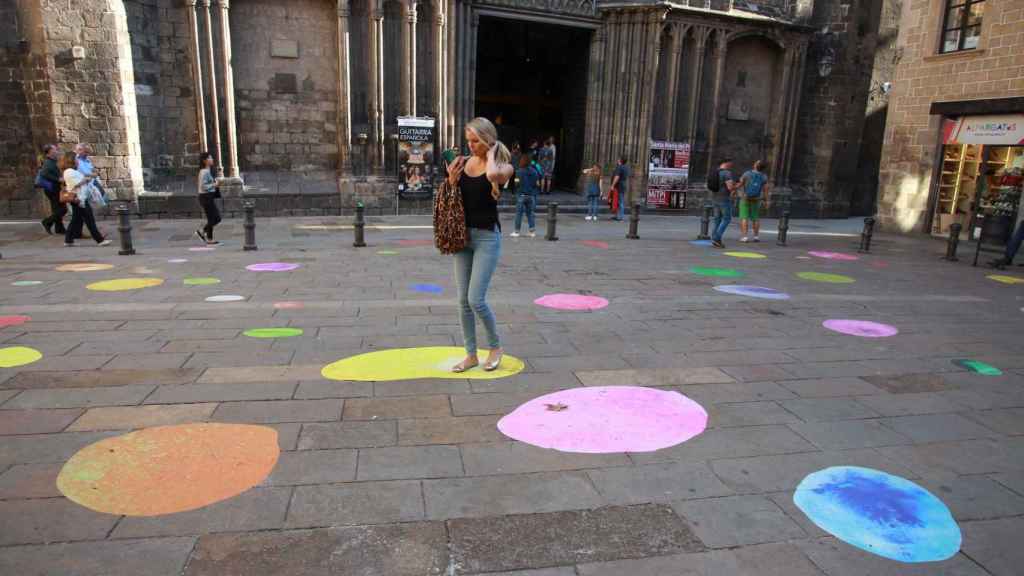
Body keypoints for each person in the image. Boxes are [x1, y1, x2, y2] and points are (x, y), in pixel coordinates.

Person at [445, 117, 513, 373]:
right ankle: (471, 354)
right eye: (468, 141)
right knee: (462, 300)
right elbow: (451, 197)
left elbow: (494, 175)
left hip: (487, 238)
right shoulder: (462, 163)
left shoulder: (504, 166)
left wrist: (493, 154)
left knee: (476, 299)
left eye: (476, 141)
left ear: (488, 140)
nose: (471, 146)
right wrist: (452, 179)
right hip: (463, 237)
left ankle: (495, 347)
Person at [61, 151, 110, 247]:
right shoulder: (69, 171)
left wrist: (87, 178)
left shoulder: (74, 170)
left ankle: (68, 240)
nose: (78, 161)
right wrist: (86, 179)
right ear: (72, 160)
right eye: (76, 159)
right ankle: (99, 240)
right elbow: (75, 184)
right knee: (89, 220)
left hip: (81, 198)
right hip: (78, 199)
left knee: (75, 220)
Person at [738, 160, 770, 242]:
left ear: (756, 165)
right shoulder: (764, 176)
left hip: (745, 198)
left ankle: (744, 237)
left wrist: (735, 191)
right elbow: (766, 190)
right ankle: (756, 236)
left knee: (744, 218)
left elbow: (740, 184)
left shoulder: (747, 173)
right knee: (755, 218)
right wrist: (767, 201)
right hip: (756, 199)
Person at [37, 144, 66, 234]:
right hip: (52, 189)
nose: (56, 151)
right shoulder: (48, 162)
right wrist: (58, 179)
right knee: (63, 209)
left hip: (54, 188)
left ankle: (59, 229)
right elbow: (44, 174)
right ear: (49, 152)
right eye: (54, 150)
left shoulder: (52, 161)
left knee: (56, 209)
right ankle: (47, 222)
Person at [710, 158, 738, 248]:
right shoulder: (727, 173)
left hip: (715, 198)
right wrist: (738, 185)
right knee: (727, 218)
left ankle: (714, 237)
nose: (732, 165)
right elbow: (730, 187)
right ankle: (717, 238)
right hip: (724, 198)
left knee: (717, 219)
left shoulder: (715, 171)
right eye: (731, 163)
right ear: (726, 163)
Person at [195, 152, 221, 245]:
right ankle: (202, 231)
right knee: (217, 218)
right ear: (205, 161)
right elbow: (203, 186)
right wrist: (215, 184)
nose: (212, 159)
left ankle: (209, 239)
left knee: (211, 218)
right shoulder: (204, 172)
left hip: (207, 197)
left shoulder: (207, 170)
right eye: (210, 158)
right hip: (205, 197)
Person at [512, 153, 540, 237]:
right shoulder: (535, 171)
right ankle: (532, 232)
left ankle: (517, 232)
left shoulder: (518, 172)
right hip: (531, 195)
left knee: (519, 214)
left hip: (521, 195)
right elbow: (536, 184)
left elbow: (516, 183)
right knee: (530, 214)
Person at [610, 155, 630, 221]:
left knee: (620, 202)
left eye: (618, 159)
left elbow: (617, 177)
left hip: (619, 186)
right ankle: (617, 216)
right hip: (623, 185)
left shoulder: (619, 167)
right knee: (618, 201)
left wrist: (612, 185)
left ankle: (620, 217)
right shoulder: (626, 167)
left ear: (620, 160)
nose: (617, 159)